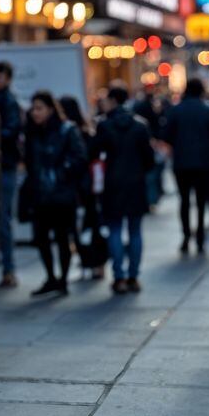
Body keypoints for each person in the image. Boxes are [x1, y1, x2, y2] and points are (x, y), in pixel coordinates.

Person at [20, 90, 88, 294]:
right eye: (33, 108)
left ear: (50, 109)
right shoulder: (32, 133)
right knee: (41, 238)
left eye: (39, 108)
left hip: (61, 194)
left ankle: (63, 279)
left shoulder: (67, 130)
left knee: (61, 238)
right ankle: (51, 276)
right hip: (40, 194)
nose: (35, 112)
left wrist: (60, 174)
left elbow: (79, 158)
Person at [93, 83, 156, 293]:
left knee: (114, 229)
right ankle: (133, 275)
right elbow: (149, 159)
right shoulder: (140, 125)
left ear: (112, 101)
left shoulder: (104, 125)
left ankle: (118, 275)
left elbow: (93, 152)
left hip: (112, 183)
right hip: (135, 183)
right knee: (135, 231)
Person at [161, 77, 209, 254]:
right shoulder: (208, 111)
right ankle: (199, 235)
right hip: (203, 163)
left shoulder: (176, 111)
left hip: (182, 162)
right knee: (200, 200)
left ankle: (186, 235)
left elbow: (166, 135)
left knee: (184, 201)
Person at [0, 61, 26, 288]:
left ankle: (8, 268)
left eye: (0, 76)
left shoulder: (9, 101)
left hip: (6, 165)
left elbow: (11, 131)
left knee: (3, 219)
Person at [60, 95, 104, 280]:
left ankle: (89, 262)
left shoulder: (68, 133)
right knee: (90, 226)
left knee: (80, 227)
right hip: (87, 187)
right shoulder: (86, 132)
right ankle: (95, 263)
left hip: (78, 187)